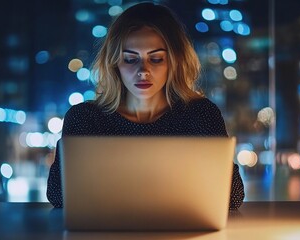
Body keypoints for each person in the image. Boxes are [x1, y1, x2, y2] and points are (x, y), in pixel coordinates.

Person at [47, 2, 245, 210]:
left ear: (174, 62)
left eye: (156, 59)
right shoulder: (85, 118)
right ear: (115, 63)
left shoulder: (200, 114)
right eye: (131, 59)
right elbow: (58, 195)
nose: (143, 71)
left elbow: (232, 196)